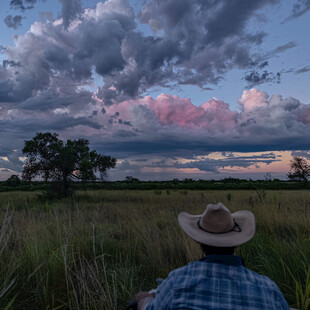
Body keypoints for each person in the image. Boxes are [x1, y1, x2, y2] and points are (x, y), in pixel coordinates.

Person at [135, 202, 291, 310]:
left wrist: (144, 299)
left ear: (199, 242)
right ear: (235, 243)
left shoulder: (177, 280)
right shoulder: (268, 289)